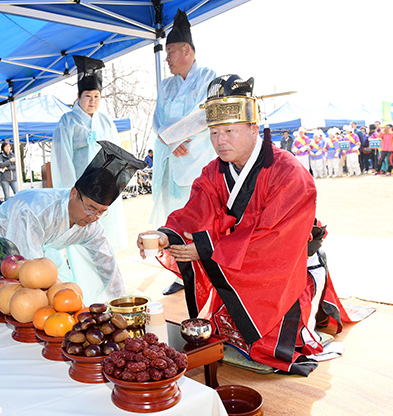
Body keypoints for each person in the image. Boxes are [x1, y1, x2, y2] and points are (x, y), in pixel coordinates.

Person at [137, 74, 349, 375]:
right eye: (213, 132)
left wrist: (209, 251)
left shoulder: (289, 173)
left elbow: (275, 238)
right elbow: (195, 211)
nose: (220, 140)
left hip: (286, 268)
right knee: (221, 332)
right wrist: (164, 236)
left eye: (229, 131)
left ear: (253, 129)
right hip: (238, 264)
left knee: (269, 347)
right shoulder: (214, 172)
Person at [0, 141, 146, 305]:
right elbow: (30, 271)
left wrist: (121, 301)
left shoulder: (92, 224)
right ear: (73, 193)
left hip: (31, 255)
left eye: (101, 212)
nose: (93, 217)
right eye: (91, 208)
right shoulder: (35, 211)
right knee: (3, 303)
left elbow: (106, 261)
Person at [151, 10, 217, 296]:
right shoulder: (166, 85)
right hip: (172, 161)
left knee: (200, 222)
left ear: (187, 51)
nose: (166, 59)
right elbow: (158, 119)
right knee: (175, 219)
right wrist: (169, 141)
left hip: (199, 162)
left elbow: (203, 114)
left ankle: (209, 274)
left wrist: (174, 135)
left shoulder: (208, 77)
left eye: (170, 53)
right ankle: (181, 275)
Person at [51, 55, 128, 251]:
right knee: (80, 233)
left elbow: (117, 153)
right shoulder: (67, 121)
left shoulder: (106, 121)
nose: (92, 101)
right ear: (78, 97)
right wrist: (71, 189)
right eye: (88, 96)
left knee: (104, 235)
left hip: (104, 188)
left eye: (96, 96)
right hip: (81, 188)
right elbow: (62, 158)